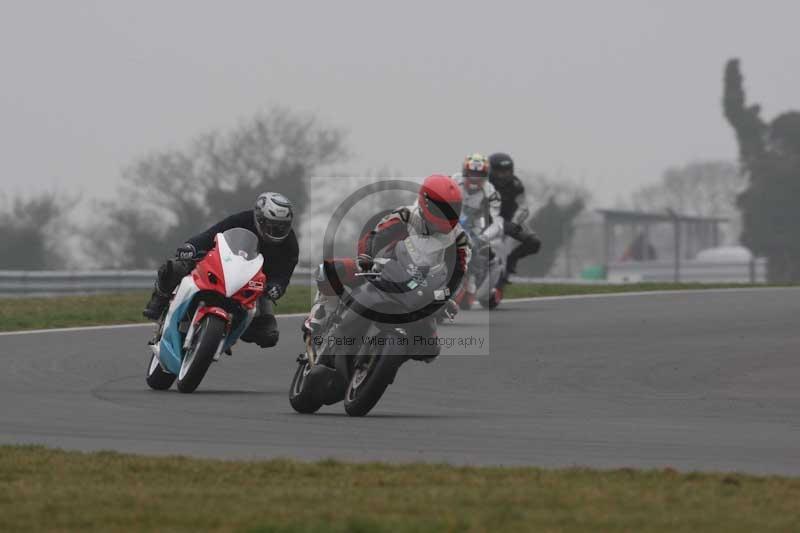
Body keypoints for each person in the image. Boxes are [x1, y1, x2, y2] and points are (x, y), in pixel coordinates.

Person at [302, 174, 470, 361]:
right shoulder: (407, 215)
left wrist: (446, 296)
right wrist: (366, 257)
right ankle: (320, 313)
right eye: (443, 209)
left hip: (422, 291)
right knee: (329, 271)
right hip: (385, 270)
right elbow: (376, 235)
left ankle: (384, 357)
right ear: (426, 202)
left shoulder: (460, 239)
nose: (447, 214)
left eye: (453, 209)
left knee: (430, 349)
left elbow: (459, 272)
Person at [142, 192, 299, 348]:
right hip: (224, 264)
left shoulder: (290, 245)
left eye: (282, 226)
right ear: (259, 218)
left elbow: (284, 275)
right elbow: (211, 234)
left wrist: (276, 287)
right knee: (176, 266)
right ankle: (159, 300)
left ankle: (233, 330)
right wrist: (191, 247)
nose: (277, 230)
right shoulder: (242, 219)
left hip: (255, 284)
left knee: (268, 336)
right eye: (271, 225)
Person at [453, 153, 504, 307]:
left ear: (485, 176)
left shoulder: (491, 192)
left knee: (487, 255)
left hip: (474, 227)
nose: (474, 179)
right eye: (471, 174)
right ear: (464, 173)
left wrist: (483, 237)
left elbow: (497, 222)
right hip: (451, 223)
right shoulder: (452, 181)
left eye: (479, 175)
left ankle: (489, 292)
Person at [488, 152, 542, 278]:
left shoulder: (516, 185)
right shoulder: (484, 183)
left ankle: (511, 261)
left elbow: (523, 207)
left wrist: (515, 222)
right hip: (487, 220)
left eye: (507, 172)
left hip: (510, 220)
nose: (504, 175)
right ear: (492, 171)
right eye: (500, 172)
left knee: (534, 243)